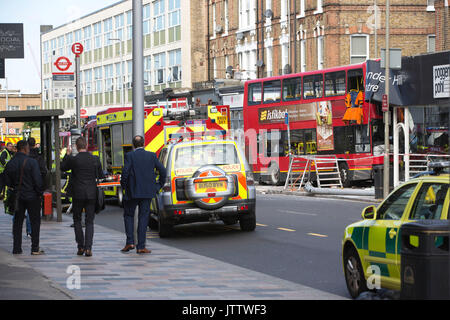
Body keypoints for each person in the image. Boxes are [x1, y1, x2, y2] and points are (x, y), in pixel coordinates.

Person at [120, 135, 166, 254]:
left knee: (128, 215)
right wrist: (158, 185)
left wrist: (124, 187)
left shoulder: (129, 156)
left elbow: (125, 172)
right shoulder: (151, 156)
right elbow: (163, 170)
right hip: (147, 192)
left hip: (132, 192)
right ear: (144, 144)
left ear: (133, 145)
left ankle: (130, 242)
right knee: (143, 218)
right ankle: (141, 246)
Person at [61, 137, 104, 257]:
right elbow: (100, 175)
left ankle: (80, 247)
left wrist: (67, 155)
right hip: (91, 193)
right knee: (90, 221)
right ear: (86, 145)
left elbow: (62, 167)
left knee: (77, 220)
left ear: (76, 146)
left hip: (77, 194)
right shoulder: (95, 159)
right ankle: (88, 248)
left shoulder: (74, 160)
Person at [3, 140, 44, 255]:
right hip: (32, 197)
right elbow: (38, 181)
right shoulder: (32, 162)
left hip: (18, 197)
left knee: (17, 222)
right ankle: (35, 248)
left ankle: (17, 248)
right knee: (35, 222)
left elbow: (6, 180)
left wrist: (14, 187)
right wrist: (39, 192)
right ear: (25, 148)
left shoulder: (11, 163)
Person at [1, 143, 15, 213]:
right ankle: (5, 198)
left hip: (5, 172)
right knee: (2, 186)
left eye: (11, 146)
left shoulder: (9, 153)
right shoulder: (5, 152)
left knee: (3, 186)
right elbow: (2, 160)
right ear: (6, 146)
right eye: (10, 146)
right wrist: (8, 166)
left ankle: (4, 197)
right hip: (2, 172)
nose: (11, 147)